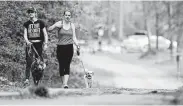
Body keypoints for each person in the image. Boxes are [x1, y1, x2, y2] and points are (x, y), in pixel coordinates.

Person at [48, 10, 80, 89]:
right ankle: (64, 83)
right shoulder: (60, 24)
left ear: (70, 17)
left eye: (69, 15)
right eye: (66, 15)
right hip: (60, 47)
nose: (67, 16)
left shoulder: (72, 25)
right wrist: (55, 26)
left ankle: (65, 84)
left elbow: (74, 37)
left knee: (67, 65)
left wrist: (77, 45)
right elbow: (49, 29)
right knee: (61, 66)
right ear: (63, 16)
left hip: (69, 47)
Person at [23, 7, 48, 85]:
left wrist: (46, 44)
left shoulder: (41, 22)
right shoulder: (26, 24)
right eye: (29, 12)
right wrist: (27, 41)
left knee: (39, 62)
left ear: (35, 13)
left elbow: (45, 34)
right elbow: (25, 34)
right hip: (30, 45)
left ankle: (37, 80)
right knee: (29, 62)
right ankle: (26, 79)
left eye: (32, 12)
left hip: (39, 44)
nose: (30, 13)